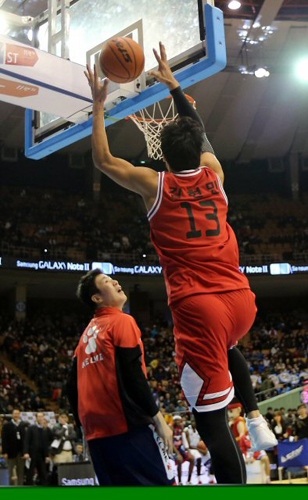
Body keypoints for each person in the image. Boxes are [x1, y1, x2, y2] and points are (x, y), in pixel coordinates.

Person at [84, 42, 277, 484]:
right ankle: (255, 414)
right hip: (241, 301)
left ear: (162, 155)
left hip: (202, 308)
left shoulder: (154, 185)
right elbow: (199, 133)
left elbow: (103, 159)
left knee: (210, 422)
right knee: (227, 347)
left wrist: (99, 105)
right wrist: (175, 87)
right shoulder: (215, 172)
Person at [66, 270, 174, 486]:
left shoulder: (85, 336)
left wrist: (83, 430)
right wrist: (158, 419)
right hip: (128, 428)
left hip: (97, 436)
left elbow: (71, 387)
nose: (115, 281)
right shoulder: (121, 321)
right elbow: (133, 374)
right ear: (97, 298)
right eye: (106, 281)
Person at [1, 408, 27, 485]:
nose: (16, 415)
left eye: (17, 414)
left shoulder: (22, 425)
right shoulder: (6, 426)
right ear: (12, 415)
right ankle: (9, 489)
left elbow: (25, 440)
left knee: (21, 472)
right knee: (9, 472)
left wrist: (25, 452)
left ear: (19, 415)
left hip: (21, 453)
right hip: (10, 453)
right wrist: (4, 452)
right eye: (15, 414)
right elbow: (4, 440)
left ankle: (20, 489)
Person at [24, 412, 50, 485]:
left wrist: (47, 455)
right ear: (36, 418)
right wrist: (26, 452)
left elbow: (46, 444)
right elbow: (26, 441)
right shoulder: (31, 428)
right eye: (39, 416)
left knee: (43, 473)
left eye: (41, 416)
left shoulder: (45, 429)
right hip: (32, 454)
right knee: (30, 473)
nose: (40, 418)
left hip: (41, 455)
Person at [172, 415, 195, 485]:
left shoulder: (181, 429)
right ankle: (179, 481)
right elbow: (171, 443)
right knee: (180, 460)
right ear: (174, 421)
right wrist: (178, 453)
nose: (178, 421)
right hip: (172, 450)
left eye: (179, 420)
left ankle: (188, 481)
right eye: (176, 420)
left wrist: (189, 451)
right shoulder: (171, 428)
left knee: (192, 459)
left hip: (179, 449)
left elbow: (185, 441)